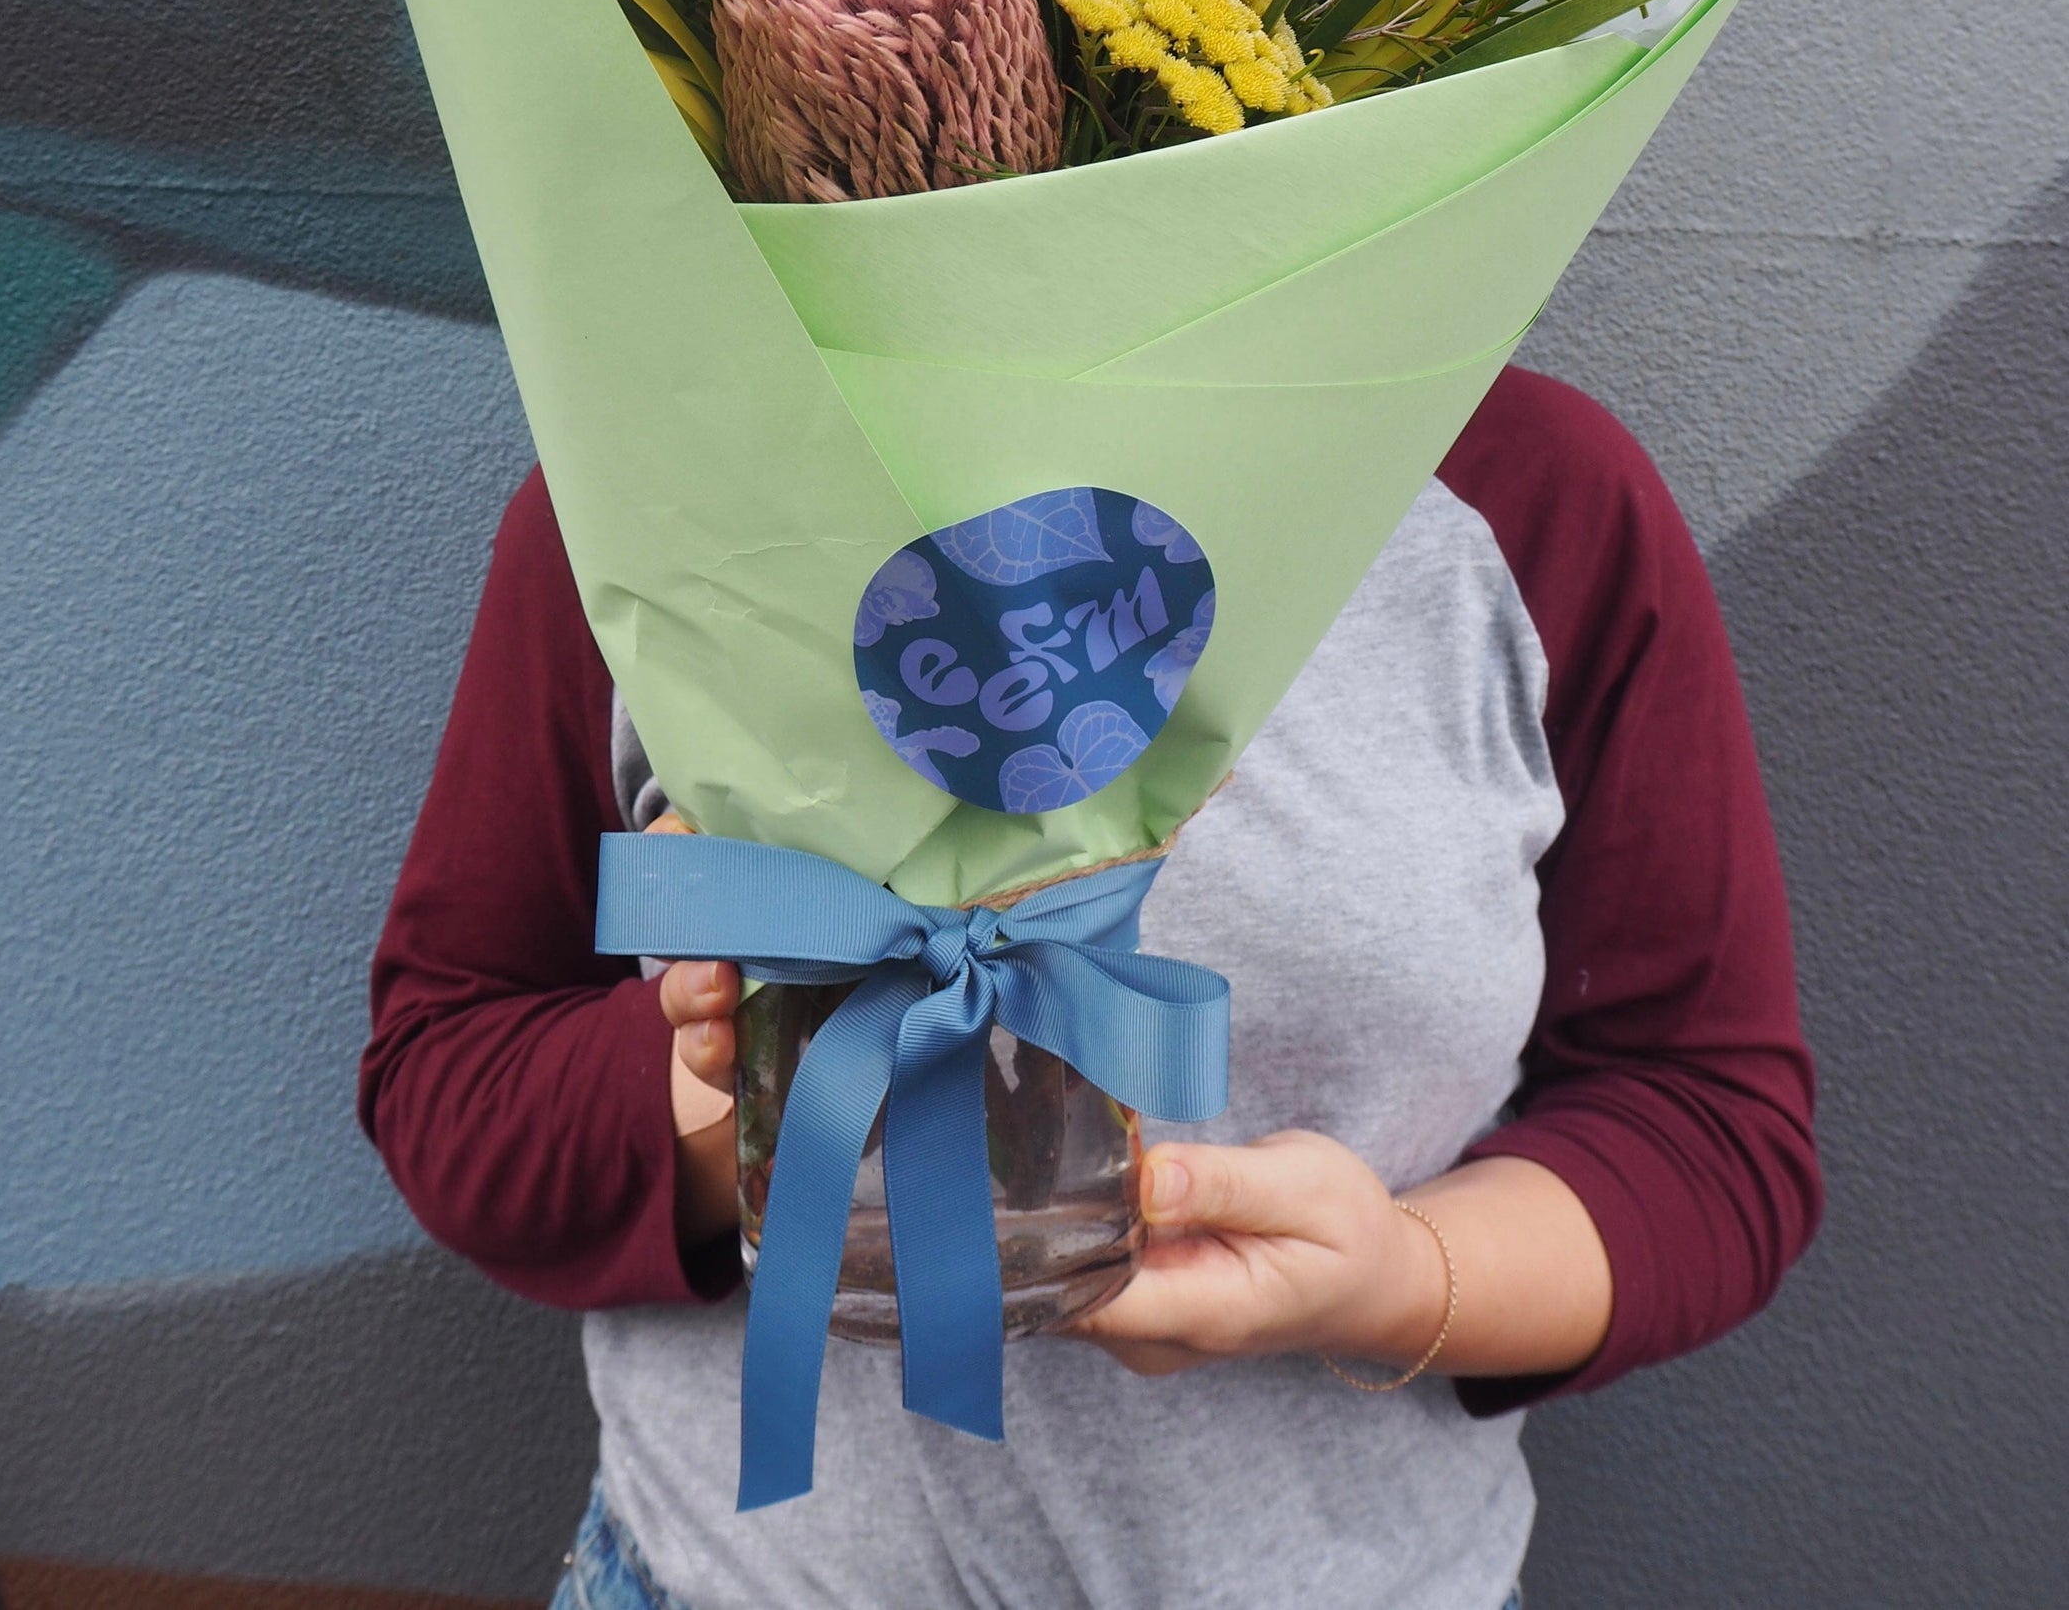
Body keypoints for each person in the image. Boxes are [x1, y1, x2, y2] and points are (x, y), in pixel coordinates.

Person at [361, 365, 1820, 1610]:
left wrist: (1389, 1277)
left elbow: (1706, 1125)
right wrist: (739, 1084)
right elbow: (448, 1070)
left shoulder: (1530, 495)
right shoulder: (659, 485)